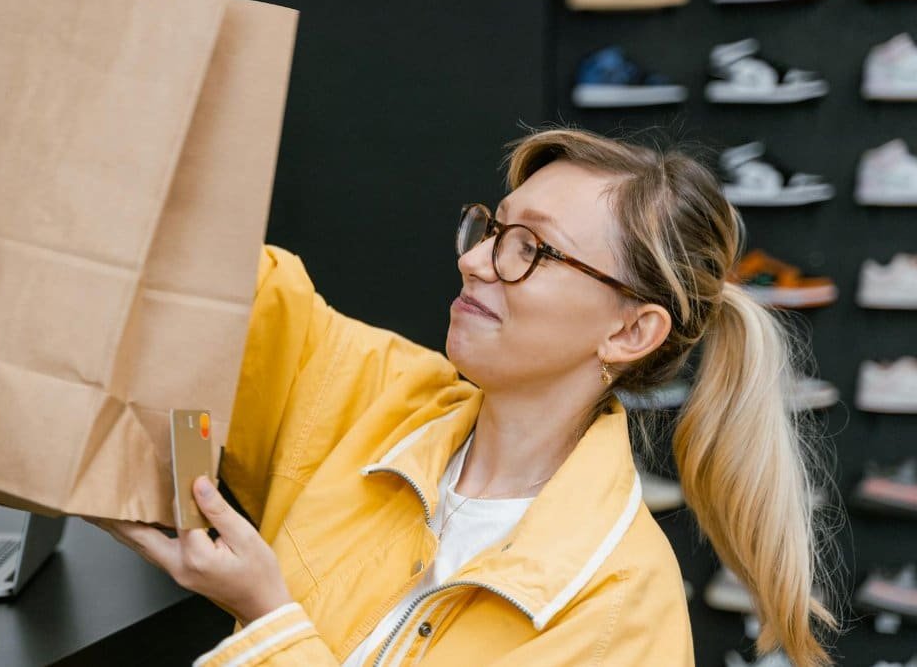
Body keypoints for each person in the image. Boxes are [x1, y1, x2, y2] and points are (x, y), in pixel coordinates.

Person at [90, 128, 837, 666]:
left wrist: (268, 617)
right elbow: (230, 294)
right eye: (493, 229)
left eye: (531, 249)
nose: (477, 261)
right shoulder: (377, 395)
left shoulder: (623, 609)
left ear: (632, 330)